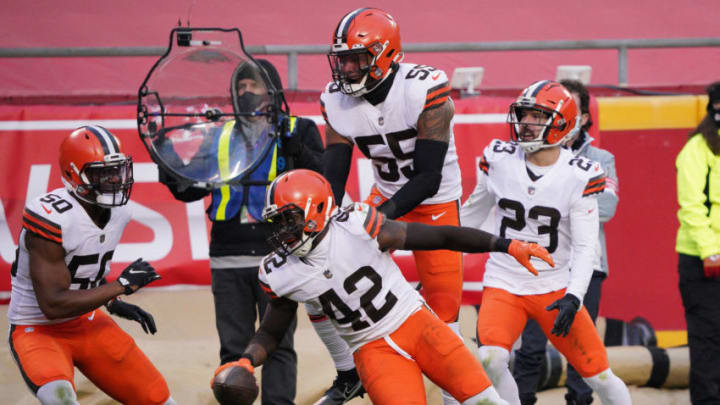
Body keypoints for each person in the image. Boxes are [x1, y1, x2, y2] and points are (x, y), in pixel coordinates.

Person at [211, 169, 556, 405]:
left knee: (484, 400)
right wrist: (245, 361)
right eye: (278, 221)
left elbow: (443, 235)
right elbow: (271, 332)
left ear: (317, 209)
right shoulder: (279, 271)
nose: (283, 230)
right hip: (373, 352)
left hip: (418, 325)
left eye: (290, 219)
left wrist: (506, 244)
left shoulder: (358, 224)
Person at [156, 59, 323, 405]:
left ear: (273, 90)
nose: (245, 92)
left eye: (253, 85)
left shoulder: (299, 129)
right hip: (227, 255)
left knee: (278, 342)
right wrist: (165, 157)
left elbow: (324, 182)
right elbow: (188, 188)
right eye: (240, 87)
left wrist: (301, 153)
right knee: (233, 348)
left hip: (280, 255)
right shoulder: (220, 136)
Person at [319, 8, 464, 404]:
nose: (346, 69)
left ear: (385, 55)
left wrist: (380, 218)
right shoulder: (335, 101)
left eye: (356, 59)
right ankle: (349, 372)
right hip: (385, 193)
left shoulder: (424, 88)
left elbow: (427, 177)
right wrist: (326, 222)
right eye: (342, 59)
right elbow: (333, 175)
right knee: (327, 272)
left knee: (445, 315)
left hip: (434, 201)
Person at [461, 80, 631, 405]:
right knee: (490, 360)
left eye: (537, 116)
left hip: (555, 285)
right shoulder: (498, 159)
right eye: (524, 115)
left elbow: (585, 246)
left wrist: (573, 296)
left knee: (601, 377)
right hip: (505, 281)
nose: (525, 124)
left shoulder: (580, 173)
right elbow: (470, 216)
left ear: (561, 123)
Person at [7, 126, 175, 405]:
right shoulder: (52, 217)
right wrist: (119, 287)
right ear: (74, 174)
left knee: (160, 400)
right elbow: (53, 304)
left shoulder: (120, 211)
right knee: (61, 401)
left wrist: (112, 303)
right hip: (37, 329)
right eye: (102, 173)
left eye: (117, 171)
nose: (114, 180)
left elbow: (85, 273)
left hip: (87, 322)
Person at [511, 79, 620, 405]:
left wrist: (551, 204)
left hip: (588, 268)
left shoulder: (602, 158)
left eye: (569, 106)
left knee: (583, 352)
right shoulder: (527, 153)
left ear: (584, 117)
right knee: (529, 349)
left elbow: (607, 207)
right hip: (542, 265)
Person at [675, 80, 720, 404]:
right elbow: (691, 207)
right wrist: (711, 252)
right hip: (704, 262)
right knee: (708, 343)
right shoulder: (696, 150)